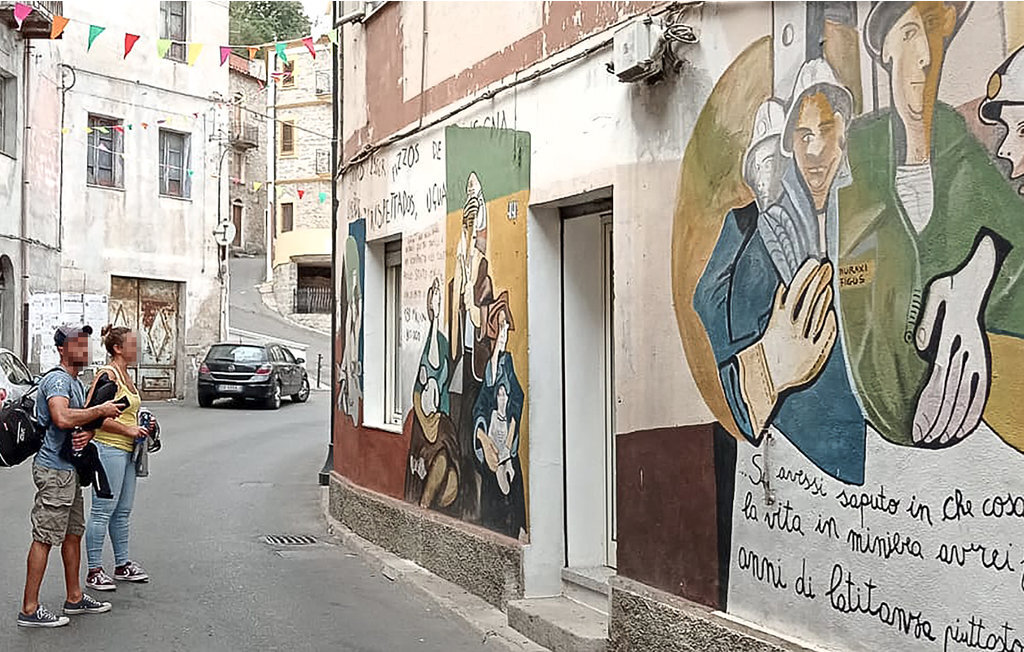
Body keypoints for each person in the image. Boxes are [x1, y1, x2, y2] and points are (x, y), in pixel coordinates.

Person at [838, 1, 1024, 450]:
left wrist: (977, 273)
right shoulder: (852, 159)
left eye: (936, 31)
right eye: (908, 34)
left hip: (982, 443)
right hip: (868, 447)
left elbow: (1015, 239)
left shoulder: (967, 156)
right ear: (884, 50)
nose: (924, 53)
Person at [693, 59, 867, 484]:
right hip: (785, 424)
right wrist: (758, 357)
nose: (768, 172)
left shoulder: (843, 207)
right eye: (761, 162)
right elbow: (707, 296)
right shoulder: (747, 223)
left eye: (774, 160)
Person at [19, 325, 121, 628]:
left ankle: (74, 597)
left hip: (69, 471)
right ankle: (29, 609)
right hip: (54, 471)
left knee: (73, 533)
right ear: (62, 349)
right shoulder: (58, 380)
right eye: (77, 343)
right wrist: (99, 410)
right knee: (44, 537)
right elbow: (62, 417)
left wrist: (89, 431)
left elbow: (77, 423)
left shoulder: (75, 382)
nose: (84, 348)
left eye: (86, 343)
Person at [83, 326, 152, 591]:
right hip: (108, 449)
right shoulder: (108, 375)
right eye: (133, 344)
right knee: (102, 510)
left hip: (128, 451)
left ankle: (122, 564)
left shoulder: (127, 376)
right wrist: (128, 430)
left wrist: (143, 423)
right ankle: (94, 570)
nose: (138, 348)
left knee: (122, 511)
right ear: (118, 348)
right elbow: (94, 415)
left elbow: (128, 412)